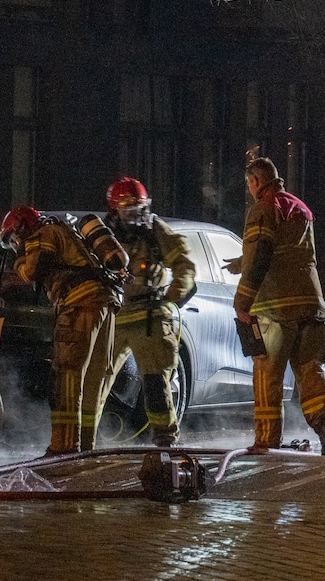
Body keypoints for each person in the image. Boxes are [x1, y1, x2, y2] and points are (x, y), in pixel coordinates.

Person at [232, 157, 325, 455]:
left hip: (276, 309)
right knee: (311, 371)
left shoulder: (262, 209)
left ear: (255, 182)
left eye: (249, 183)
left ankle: (266, 440)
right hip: (311, 306)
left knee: (268, 375)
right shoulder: (299, 208)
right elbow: (289, 253)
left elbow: (262, 254)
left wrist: (242, 300)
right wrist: (241, 260)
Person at [0, 206, 125, 456]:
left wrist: (19, 264)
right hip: (105, 303)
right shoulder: (68, 232)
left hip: (79, 303)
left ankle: (65, 447)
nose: (16, 244)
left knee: (67, 375)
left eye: (14, 238)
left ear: (22, 227)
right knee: (93, 378)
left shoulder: (40, 234)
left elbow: (35, 269)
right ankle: (86, 448)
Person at [103, 177, 197, 447]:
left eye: (139, 210)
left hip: (150, 319)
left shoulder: (156, 230)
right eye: (129, 212)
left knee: (156, 384)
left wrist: (172, 298)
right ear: (115, 211)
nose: (136, 218)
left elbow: (185, 265)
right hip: (116, 318)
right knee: (96, 383)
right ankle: (83, 442)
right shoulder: (104, 237)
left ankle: (165, 439)